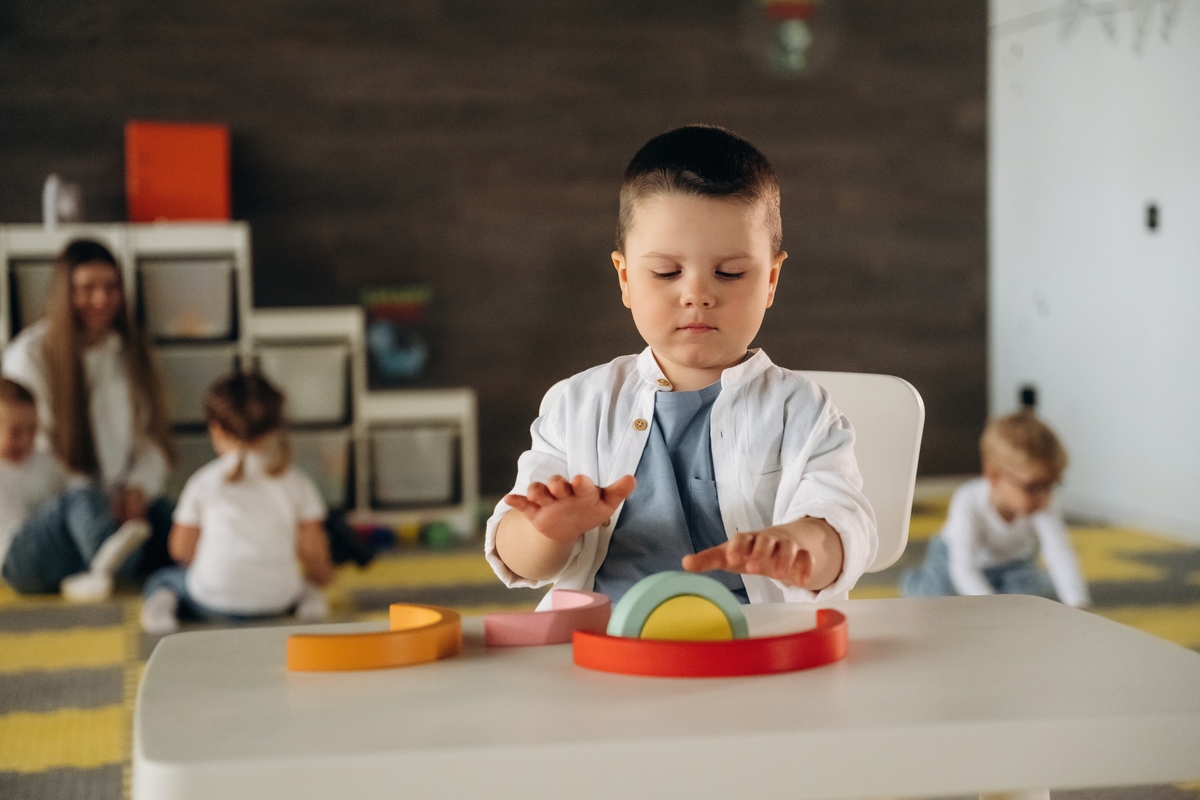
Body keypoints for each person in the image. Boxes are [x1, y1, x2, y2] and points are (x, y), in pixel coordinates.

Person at [486, 125, 876, 606]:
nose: (697, 294)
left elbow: (845, 520)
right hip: (606, 648)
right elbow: (516, 554)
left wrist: (802, 545)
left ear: (771, 280)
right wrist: (547, 531)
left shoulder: (802, 410)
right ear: (626, 279)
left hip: (753, 646)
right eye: (666, 272)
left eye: (730, 273)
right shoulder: (578, 404)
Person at [2, 239, 172, 595]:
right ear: (65, 293)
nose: (101, 299)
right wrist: (95, 500)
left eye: (111, 287)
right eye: (86, 289)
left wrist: (137, 489)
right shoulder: (29, 355)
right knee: (83, 500)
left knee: (181, 522)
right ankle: (114, 561)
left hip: (118, 504)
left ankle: (104, 562)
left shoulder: (127, 352)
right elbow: (32, 453)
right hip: (57, 513)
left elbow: (148, 442)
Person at [140, 371, 334, 634]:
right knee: (303, 585)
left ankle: (162, 612)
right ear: (275, 428)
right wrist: (322, 577)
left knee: (163, 580)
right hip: (277, 601)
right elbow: (313, 551)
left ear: (216, 429)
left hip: (212, 602)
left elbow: (180, 550)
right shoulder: (297, 483)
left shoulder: (203, 482)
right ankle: (310, 604)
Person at [900, 411, 1091, 608]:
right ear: (994, 477)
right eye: (1033, 487)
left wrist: (1078, 603)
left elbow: (1059, 553)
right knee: (938, 595)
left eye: (1050, 485)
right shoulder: (968, 500)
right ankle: (915, 582)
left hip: (1011, 563)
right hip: (954, 557)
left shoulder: (1042, 503)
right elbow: (964, 568)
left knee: (1032, 595)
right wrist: (993, 608)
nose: (1044, 496)